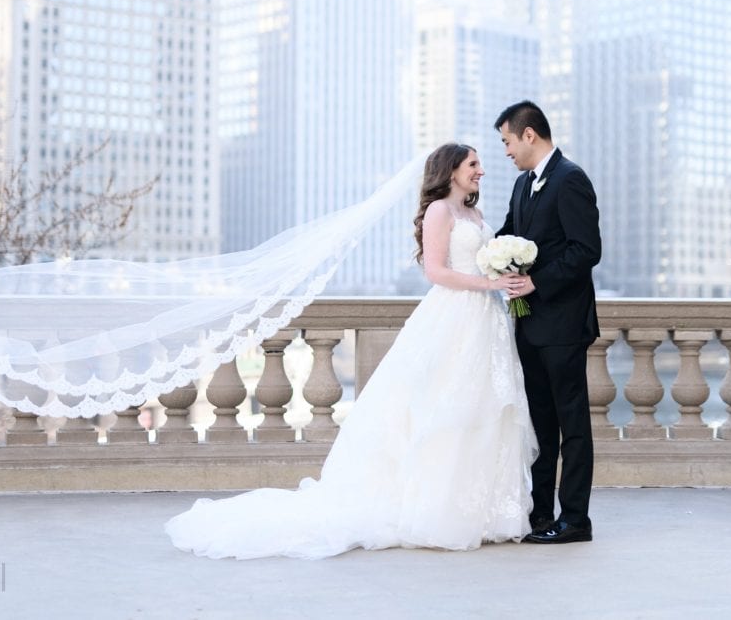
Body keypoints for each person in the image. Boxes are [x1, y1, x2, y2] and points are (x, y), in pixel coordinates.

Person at [165, 143, 538, 559]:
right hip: (455, 317)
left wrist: (503, 272)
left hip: (487, 322)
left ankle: (484, 512)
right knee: (446, 408)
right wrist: (491, 284)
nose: (481, 171)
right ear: (451, 171)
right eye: (473, 164)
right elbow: (435, 271)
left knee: (484, 409)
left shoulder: (474, 214)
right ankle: (437, 511)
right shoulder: (440, 212)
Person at [495, 101, 602, 545]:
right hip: (530, 328)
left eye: (506, 141)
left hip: (563, 326)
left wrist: (536, 282)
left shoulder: (571, 179)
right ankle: (540, 514)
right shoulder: (522, 185)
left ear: (529, 135)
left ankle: (575, 519)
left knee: (572, 425)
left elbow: (586, 250)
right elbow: (505, 235)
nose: (505, 151)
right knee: (539, 425)